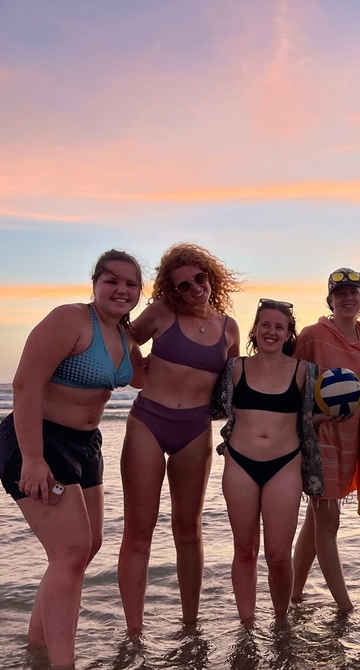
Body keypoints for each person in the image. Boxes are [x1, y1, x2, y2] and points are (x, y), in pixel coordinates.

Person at [0, 250, 143, 670]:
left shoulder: (126, 337)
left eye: (130, 284)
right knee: (72, 550)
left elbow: (145, 375)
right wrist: (33, 458)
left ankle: (37, 649)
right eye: (111, 280)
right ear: (94, 283)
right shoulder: (71, 320)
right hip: (39, 439)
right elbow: (25, 384)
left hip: (86, 445)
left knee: (85, 546)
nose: (121, 289)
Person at [118, 243, 240, 635]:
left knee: (189, 529)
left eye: (199, 279)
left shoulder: (228, 328)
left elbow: (237, 384)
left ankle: (191, 625)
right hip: (149, 422)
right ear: (172, 291)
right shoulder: (161, 314)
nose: (194, 289)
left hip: (195, 430)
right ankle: (134, 631)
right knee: (140, 529)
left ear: (211, 277)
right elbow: (122, 339)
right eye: (183, 286)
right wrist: (137, 369)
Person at [214, 299, 324, 624]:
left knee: (278, 555)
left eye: (279, 326)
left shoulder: (305, 371)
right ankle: (247, 626)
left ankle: (280, 622)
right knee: (245, 551)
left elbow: (316, 415)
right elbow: (201, 398)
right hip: (239, 464)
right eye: (265, 325)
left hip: (285, 466)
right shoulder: (235, 368)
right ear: (255, 329)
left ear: (289, 332)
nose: (271, 331)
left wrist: (341, 412)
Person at [290, 268, 360, 612]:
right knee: (328, 521)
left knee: (315, 520)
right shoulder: (313, 335)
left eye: (353, 292)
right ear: (330, 300)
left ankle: (294, 596)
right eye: (339, 293)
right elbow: (291, 382)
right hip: (318, 438)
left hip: (352, 441)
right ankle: (345, 606)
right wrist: (313, 418)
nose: (347, 298)